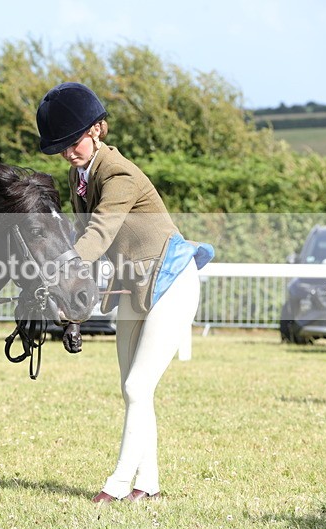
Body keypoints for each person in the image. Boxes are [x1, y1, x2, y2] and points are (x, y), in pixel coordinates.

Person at [36, 82, 214, 503]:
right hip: (134, 285)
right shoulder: (79, 174)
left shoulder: (118, 174)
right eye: (60, 147)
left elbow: (99, 233)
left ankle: (117, 485)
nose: (68, 152)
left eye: (72, 142)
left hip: (171, 281)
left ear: (97, 130)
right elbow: (85, 239)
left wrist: (59, 268)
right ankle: (147, 485)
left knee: (137, 387)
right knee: (132, 389)